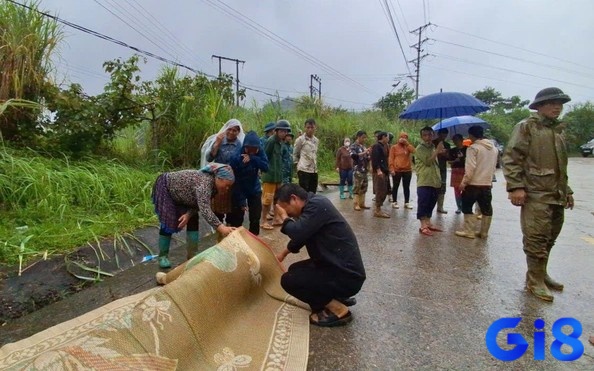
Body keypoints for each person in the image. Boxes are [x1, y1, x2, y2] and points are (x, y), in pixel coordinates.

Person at [502, 87, 574, 302]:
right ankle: (534, 280)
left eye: (560, 103)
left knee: (550, 238)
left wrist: (567, 190)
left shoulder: (558, 132)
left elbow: (561, 167)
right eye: (552, 103)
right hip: (536, 194)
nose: (557, 107)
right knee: (536, 238)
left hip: (556, 195)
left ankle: (541, 273)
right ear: (539, 106)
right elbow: (512, 157)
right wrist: (516, 187)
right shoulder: (526, 127)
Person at [274, 183, 366, 327]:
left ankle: (339, 310)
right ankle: (336, 297)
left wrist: (285, 219)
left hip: (347, 276)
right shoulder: (312, 206)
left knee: (289, 280)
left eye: (286, 210)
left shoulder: (317, 205)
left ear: (294, 199)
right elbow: (301, 237)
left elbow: (297, 232)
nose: (288, 215)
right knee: (294, 270)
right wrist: (282, 255)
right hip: (338, 268)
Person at [151, 163, 236, 269]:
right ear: (218, 178)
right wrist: (222, 227)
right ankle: (162, 256)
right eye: (226, 185)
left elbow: (198, 204)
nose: (227, 189)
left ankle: (192, 255)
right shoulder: (205, 183)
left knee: (193, 219)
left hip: (185, 197)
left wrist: (188, 214)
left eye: (230, 186)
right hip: (167, 188)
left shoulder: (214, 188)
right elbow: (205, 210)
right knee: (168, 221)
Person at [454, 126, 498, 239]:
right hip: (486, 184)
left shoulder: (473, 148)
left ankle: (469, 231)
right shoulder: (494, 149)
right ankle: (484, 233)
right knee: (486, 209)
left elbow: (470, 168)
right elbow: (493, 168)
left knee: (467, 206)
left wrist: (464, 182)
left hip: (473, 184)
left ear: (471, 135)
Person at [206, 119, 244, 232]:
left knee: (233, 209)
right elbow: (209, 158)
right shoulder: (219, 141)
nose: (232, 132)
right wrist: (217, 144)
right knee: (218, 208)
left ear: (238, 132)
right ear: (226, 130)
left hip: (233, 182)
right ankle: (218, 232)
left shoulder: (240, 145)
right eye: (230, 129)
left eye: (235, 130)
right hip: (220, 180)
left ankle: (231, 231)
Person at [230, 131, 269, 235]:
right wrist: (241, 200)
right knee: (237, 218)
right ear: (245, 147)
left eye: (254, 150)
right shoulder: (237, 156)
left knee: (255, 217)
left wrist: (253, 158)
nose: (252, 151)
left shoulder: (259, 151)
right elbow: (235, 179)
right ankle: (236, 240)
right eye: (249, 149)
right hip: (239, 188)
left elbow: (266, 167)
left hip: (254, 188)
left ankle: (254, 239)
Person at [260, 119, 290, 230]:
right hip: (269, 176)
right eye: (282, 131)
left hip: (278, 176)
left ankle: (277, 218)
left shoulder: (280, 142)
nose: (284, 133)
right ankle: (263, 221)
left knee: (277, 199)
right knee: (267, 200)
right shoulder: (271, 141)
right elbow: (265, 156)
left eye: (285, 131)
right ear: (276, 131)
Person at [415, 126, 445, 236]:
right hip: (424, 179)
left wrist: (438, 151)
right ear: (421, 136)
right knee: (423, 202)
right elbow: (428, 161)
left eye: (430, 134)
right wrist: (437, 151)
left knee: (431, 202)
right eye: (425, 135)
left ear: (433, 135)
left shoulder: (432, 146)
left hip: (435, 180)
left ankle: (428, 222)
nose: (428, 137)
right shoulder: (420, 148)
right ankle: (423, 225)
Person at [388, 132, 415, 210]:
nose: (403, 139)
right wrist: (391, 168)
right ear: (399, 138)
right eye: (402, 137)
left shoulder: (408, 147)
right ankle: (394, 201)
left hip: (407, 170)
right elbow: (391, 158)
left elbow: (414, 151)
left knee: (406, 186)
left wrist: (407, 144)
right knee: (395, 186)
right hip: (397, 170)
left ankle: (407, 202)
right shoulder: (394, 147)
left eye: (405, 137)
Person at [293, 118, 319, 193]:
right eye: (308, 127)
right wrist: (297, 167)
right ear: (305, 128)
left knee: (313, 193)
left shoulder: (316, 141)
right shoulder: (300, 140)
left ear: (315, 128)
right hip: (303, 170)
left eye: (312, 127)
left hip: (314, 170)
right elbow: (295, 154)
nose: (310, 129)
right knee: (304, 193)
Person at [350, 130, 372, 211]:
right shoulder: (353, 146)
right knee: (357, 187)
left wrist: (369, 154)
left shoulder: (363, 146)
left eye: (365, 138)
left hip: (364, 170)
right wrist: (364, 152)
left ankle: (362, 203)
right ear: (358, 137)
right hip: (357, 170)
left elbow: (368, 157)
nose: (364, 139)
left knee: (364, 187)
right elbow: (353, 156)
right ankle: (356, 204)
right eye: (363, 138)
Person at [371, 132, 390, 218]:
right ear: (383, 137)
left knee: (384, 190)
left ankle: (379, 208)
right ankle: (377, 210)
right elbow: (375, 159)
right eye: (387, 137)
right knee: (380, 190)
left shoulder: (385, 146)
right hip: (380, 172)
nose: (388, 139)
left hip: (385, 171)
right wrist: (378, 170)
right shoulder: (376, 146)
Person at [433, 128, 451, 214]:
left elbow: (449, 157)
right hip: (433, 168)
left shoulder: (447, 145)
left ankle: (440, 207)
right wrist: (438, 152)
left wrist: (445, 154)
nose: (444, 136)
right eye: (442, 134)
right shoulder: (433, 143)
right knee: (432, 187)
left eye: (445, 135)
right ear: (439, 134)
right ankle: (430, 206)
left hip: (443, 168)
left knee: (442, 186)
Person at [448, 134, 467, 214]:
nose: (456, 142)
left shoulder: (467, 149)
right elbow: (449, 161)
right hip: (456, 170)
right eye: (454, 140)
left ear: (462, 140)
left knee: (466, 188)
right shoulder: (452, 150)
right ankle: (459, 206)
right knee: (457, 189)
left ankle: (465, 205)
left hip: (465, 170)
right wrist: (455, 161)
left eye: (457, 140)